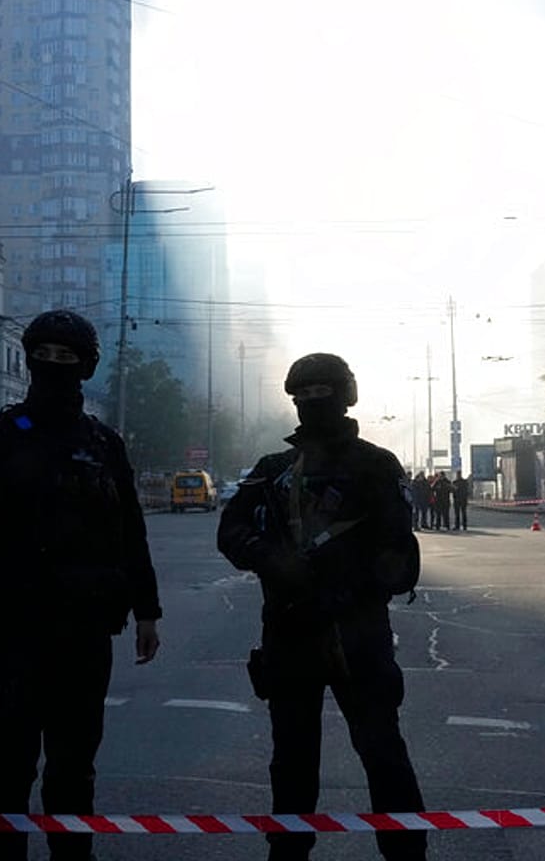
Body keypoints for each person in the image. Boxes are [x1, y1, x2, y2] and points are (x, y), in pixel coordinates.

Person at [0, 309, 163, 861]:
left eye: (68, 358)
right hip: (13, 633)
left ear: (86, 368)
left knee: (74, 772)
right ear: (29, 358)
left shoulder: (106, 444)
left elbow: (130, 528)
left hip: (86, 635)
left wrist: (147, 610)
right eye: (46, 356)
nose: (55, 366)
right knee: (8, 771)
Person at [218, 353, 426, 861]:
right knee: (291, 761)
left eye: (322, 392)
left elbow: (399, 555)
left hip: (355, 633)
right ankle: (287, 853)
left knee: (382, 753)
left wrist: (345, 584)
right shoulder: (273, 471)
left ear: (346, 394)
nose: (313, 403)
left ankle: (406, 854)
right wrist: (269, 558)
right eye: (303, 395)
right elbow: (231, 530)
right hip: (291, 632)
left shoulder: (375, 466)